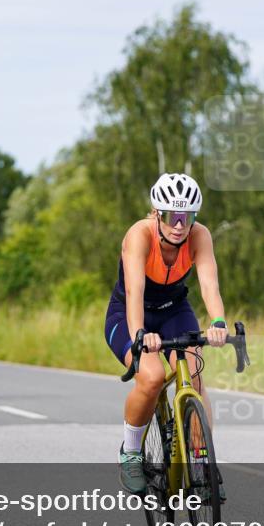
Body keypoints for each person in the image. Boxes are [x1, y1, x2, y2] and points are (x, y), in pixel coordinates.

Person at [105, 173, 228, 495]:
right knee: (152, 376)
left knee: (195, 375)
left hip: (175, 310)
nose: (179, 225)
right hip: (131, 313)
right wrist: (140, 335)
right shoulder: (139, 235)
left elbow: (209, 285)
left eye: (187, 217)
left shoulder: (200, 236)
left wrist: (217, 323)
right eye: (172, 216)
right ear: (157, 213)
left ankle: (200, 458)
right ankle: (130, 451)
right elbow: (133, 291)